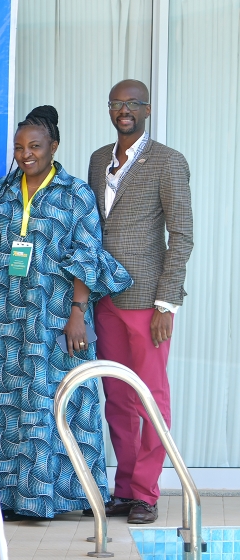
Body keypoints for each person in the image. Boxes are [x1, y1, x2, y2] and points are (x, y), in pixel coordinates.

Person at [0, 105, 132, 521]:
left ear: (54, 146)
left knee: (57, 399)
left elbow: (87, 255)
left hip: (57, 313)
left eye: (35, 146)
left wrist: (78, 311)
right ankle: (5, 496)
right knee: (6, 405)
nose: (26, 154)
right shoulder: (1, 191)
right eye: (20, 147)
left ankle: (55, 496)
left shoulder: (75, 193)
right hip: (7, 316)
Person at [87, 80, 193, 525]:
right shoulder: (97, 160)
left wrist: (167, 302)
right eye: (116, 103)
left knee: (150, 397)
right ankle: (125, 488)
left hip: (147, 300)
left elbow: (182, 235)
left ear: (147, 109)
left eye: (132, 103)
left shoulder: (168, 161)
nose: (124, 110)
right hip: (104, 297)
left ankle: (147, 492)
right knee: (116, 396)